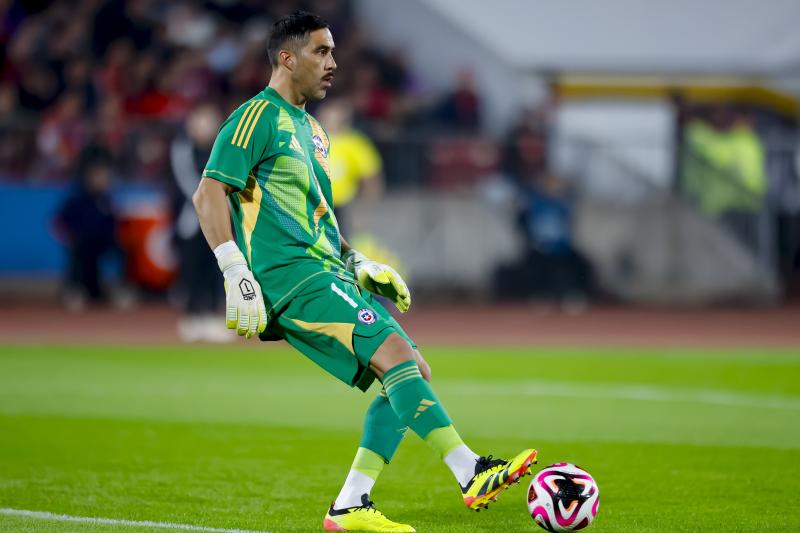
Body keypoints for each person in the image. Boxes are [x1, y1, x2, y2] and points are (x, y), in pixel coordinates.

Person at [192, 12, 537, 532]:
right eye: (320, 52)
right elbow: (208, 192)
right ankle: (470, 471)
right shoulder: (254, 117)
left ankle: (350, 504)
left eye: (333, 52)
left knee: (411, 371)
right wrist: (232, 266)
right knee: (396, 356)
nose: (332, 64)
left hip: (326, 268)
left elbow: (320, 216)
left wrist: (358, 261)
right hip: (292, 276)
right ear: (286, 58)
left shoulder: (313, 132)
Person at [169, 102, 231, 343]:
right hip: (191, 220)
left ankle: (210, 317)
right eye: (199, 121)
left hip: (219, 219)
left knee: (215, 268)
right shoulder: (181, 148)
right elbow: (187, 182)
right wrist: (214, 202)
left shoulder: (222, 148)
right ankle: (192, 317)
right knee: (192, 269)